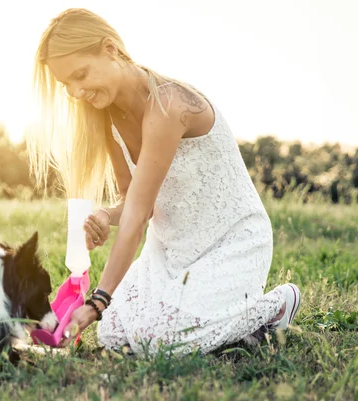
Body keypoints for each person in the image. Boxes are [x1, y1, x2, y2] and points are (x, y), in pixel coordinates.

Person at [25, 8, 301, 356]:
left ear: (110, 49)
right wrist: (106, 215)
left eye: (81, 74)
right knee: (115, 335)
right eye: (68, 85)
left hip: (230, 245)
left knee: (160, 342)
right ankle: (226, 327)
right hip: (169, 254)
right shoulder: (108, 119)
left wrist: (97, 302)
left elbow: (138, 217)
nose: (78, 92)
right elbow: (136, 201)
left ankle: (275, 306)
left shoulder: (169, 104)